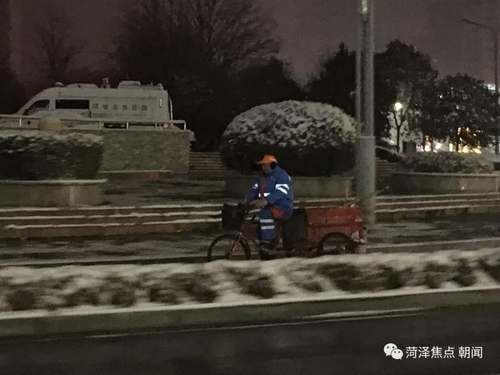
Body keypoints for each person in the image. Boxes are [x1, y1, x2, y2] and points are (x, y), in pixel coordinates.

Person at [245, 155, 294, 256]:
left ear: (272, 165)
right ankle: (264, 240)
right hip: (271, 206)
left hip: (283, 207)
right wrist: (246, 200)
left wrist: (267, 201)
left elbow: (281, 192)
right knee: (260, 217)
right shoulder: (263, 178)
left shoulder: (282, 176)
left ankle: (268, 241)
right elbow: (255, 190)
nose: (263, 168)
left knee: (265, 213)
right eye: (262, 166)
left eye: (265, 165)